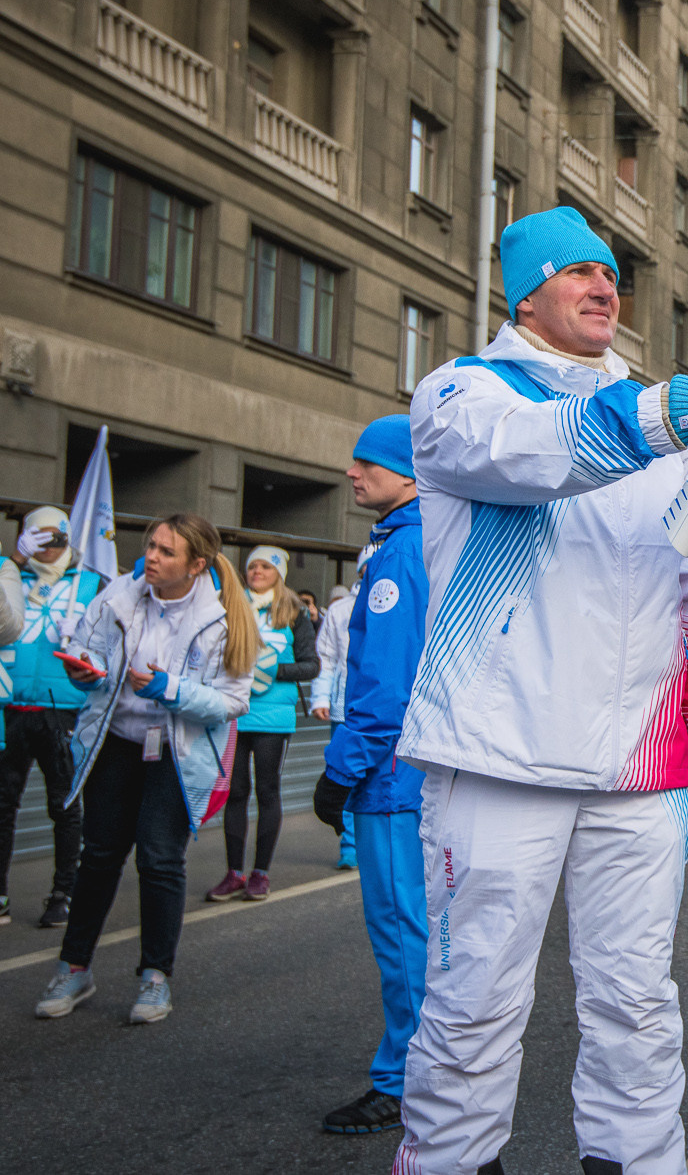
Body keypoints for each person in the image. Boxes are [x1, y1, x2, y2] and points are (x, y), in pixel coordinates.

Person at [392, 205, 688, 1174]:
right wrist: (682, 409)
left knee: (635, 1002)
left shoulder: (656, 419)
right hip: (497, 752)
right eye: (575, 270)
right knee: (474, 1005)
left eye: (610, 272)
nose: (602, 284)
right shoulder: (462, 394)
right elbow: (539, 455)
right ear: (522, 290)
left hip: (640, 764)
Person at [34, 513, 260, 1023]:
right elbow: (86, 657)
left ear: (196, 564)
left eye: (166, 551)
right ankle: (74, 968)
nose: (151, 557)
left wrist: (169, 689)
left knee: (159, 860)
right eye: (151, 545)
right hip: (116, 741)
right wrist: (82, 672)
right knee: (98, 856)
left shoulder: (221, 617)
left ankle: (155, 978)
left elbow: (233, 702)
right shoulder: (118, 596)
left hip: (177, 754)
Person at [309, 415, 430, 1137]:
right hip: (410, 772)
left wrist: (341, 770)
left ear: (408, 470)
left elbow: (385, 687)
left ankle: (406, 1083)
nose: (353, 471)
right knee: (417, 931)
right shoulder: (404, 540)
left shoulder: (403, 549)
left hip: (392, 779)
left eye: (368, 461)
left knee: (401, 931)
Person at [1, 508, 99, 929]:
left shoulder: (91, 583)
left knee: (64, 803)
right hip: (9, 705)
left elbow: (107, 647)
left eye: (51, 537)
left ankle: (64, 891)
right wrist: (16, 562)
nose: (44, 545)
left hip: (62, 708)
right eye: (33, 537)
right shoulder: (8, 575)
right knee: (3, 805)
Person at [206, 544, 319, 901]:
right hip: (235, 713)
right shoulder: (229, 605)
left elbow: (310, 665)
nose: (257, 572)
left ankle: (261, 873)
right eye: (252, 566)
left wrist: (271, 670)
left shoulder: (294, 611)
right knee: (235, 793)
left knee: (267, 792)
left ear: (279, 574)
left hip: (274, 717)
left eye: (265, 567)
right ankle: (234, 872)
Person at [310, 581, 359, 868]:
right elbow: (325, 658)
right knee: (344, 778)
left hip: (383, 710)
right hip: (343, 708)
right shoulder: (340, 609)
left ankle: (372, 845)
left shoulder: (402, 597)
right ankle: (350, 847)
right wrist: (320, 698)